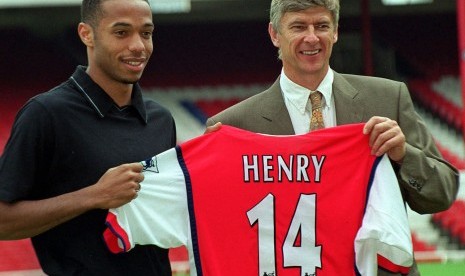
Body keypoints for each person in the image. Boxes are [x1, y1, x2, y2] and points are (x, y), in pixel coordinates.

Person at [206, 0, 460, 275]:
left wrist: (403, 155)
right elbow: (221, 226)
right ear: (275, 34)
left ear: (336, 31)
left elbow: (443, 193)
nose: (312, 37)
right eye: (299, 26)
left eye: (322, 26)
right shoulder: (234, 125)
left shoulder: (388, 98)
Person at [0, 0, 191, 274]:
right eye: (121, 32)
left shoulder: (160, 119)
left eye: (146, 33)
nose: (138, 46)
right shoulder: (46, 114)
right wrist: (94, 196)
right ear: (86, 34)